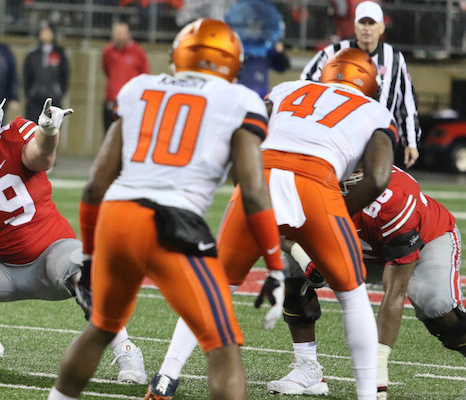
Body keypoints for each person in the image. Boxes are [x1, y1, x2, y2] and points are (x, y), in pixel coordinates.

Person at [50, 18, 281, 400]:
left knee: (102, 327)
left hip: (117, 216)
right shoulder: (241, 100)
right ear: (232, 62)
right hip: (172, 223)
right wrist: (274, 264)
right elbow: (254, 191)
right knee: (223, 344)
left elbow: (95, 184)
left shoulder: (141, 87)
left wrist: (90, 255)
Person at [151, 47, 397, 400]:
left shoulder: (288, 88)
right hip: (315, 182)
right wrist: (336, 214)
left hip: (261, 176)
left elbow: (242, 137)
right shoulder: (376, 110)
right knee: (352, 294)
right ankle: (367, 395)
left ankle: (166, 376)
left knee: (214, 285)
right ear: (371, 85)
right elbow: (377, 177)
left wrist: (245, 190)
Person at [0, 84, 147, 384]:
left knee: (87, 269)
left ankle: (125, 348)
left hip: (52, 257)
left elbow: (41, 157)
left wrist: (49, 133)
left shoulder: (17, 135)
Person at [267, 167, 465, 398]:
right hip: (358, 248)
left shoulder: (394, 197)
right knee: (289, 268)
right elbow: (274, 223)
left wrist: (377, 366)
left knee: (437, 307)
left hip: (423, 243)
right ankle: (306, 369)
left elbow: (395, 291)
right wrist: (303, 255)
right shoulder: (306, 176)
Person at [301, 1, 420, 169]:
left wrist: (411, 142)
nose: (366, 28)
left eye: (371, 23)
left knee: (374, 186)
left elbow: (406, 102)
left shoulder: (394, 59)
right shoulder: (335, 52)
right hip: (339, 135)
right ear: (355, 26)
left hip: (378, 136)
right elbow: (306, 80)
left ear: (381, 28)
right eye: (362, 23)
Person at [101, 21, 148, 133]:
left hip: (131, 103)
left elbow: (144, 74)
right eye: (117, 33)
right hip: (113, 101)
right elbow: (106, 70)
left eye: (122, 33)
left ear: (128, 34)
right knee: (110, 133)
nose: (119, 37)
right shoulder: (108, 51)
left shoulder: (138, 52)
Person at [23, 21, 70, 125]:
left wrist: (59, 92)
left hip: (53, 99)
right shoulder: (32, 54)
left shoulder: (60, 54)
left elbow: (64, 76)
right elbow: (27, 76)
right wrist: (31, 92)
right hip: (35, 99)